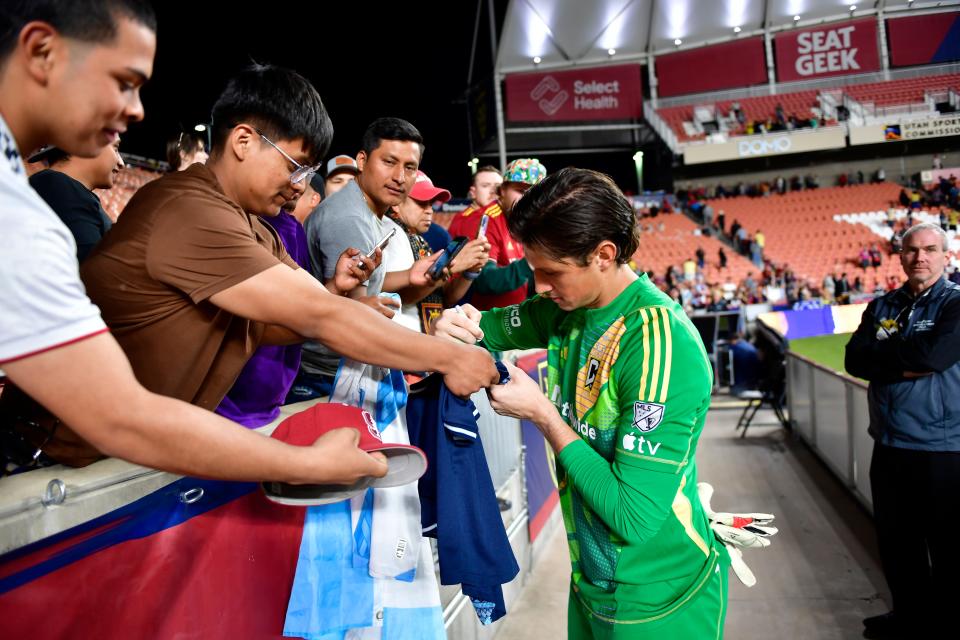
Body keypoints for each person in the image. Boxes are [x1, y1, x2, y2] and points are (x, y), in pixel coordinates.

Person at [0, 0, 391, 483]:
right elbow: (118, 411)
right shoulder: (181, 208)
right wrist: (304, 464)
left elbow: (294, 315)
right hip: (48, 456)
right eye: (124, 82)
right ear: (41, 51)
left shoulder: (246, 220)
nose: (135, 109)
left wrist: (335, 304)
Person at [80, 67, 497, 420]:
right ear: (243, 142)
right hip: (77, 458)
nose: (300, 185)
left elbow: (288, 320)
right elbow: (322, 317)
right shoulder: (191, 210)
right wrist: (447, 357)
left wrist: (334, 292)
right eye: (296, 166)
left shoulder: (257, 224)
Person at [435, 168, 729, 638]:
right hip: (592, 582)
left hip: (660, 594)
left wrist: (544, 415)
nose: (541, 287)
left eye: (552, 273)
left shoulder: (657, 344)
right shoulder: (563, 309)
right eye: (535, 272)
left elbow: (633, 515)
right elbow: (488, 326)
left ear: (604, 255)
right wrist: (458, 323)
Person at [845, 222, 960, 638]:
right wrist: (903, 363)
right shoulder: (884, 305)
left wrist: (886, 359)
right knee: (898, 542)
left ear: (946, 255)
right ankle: (909, 618)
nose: (920, 257)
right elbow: (855, 360)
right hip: (890, 444)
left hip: (943, 448)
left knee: (946, 546)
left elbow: (933, 357)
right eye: (912, 250)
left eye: (930, 249)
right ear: (900, 256)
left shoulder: (955, 304)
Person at [381, 170, 488, 334]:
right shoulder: (391, 232)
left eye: (431, 203)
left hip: (424, 337)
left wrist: (469, 271)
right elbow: (402, 298)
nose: (430, 210)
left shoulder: (416, 238)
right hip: (403, 339)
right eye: (422, 203)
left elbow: (446, 296)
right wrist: (453, 265)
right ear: (396, 203)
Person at [28, 139, 123, 261]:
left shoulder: (65, 189)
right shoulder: (58, 188)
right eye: (115, 149)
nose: (121, 163)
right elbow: (92, 269)